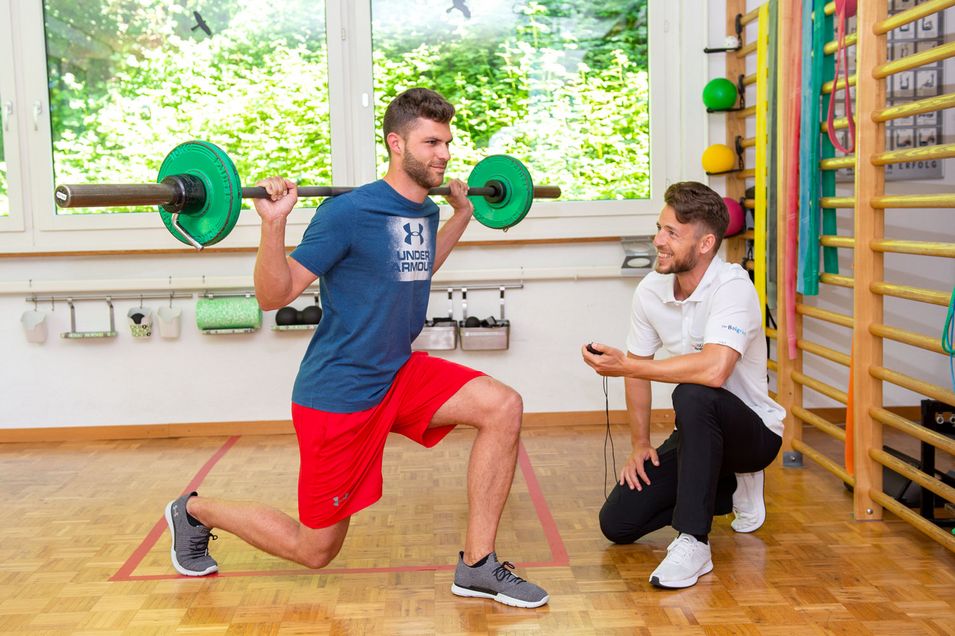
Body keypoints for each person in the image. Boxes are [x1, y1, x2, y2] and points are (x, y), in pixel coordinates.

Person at [163, 88, 548, 609]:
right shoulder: (346, 213)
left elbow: (419, 265)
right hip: (340, 392)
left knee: (502, 405)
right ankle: (195, 511)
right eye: (431, 142)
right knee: (315, 549)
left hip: (397, 372)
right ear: (396, 143)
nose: (444, 154)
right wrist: (274, 224)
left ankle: (477, 564)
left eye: (448, 143)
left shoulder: (425, 211)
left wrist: (462, 214)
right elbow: (273, 296)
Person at [581, 181, 784, 589]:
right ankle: (722, 490)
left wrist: (629, 368)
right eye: (660, 228)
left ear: (706, 242)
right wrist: (640, 444)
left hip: (754, 435)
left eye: (671, 233)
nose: (658, 240)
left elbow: (714, 371)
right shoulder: (651, 291)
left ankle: (694, 540)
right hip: (696, 433)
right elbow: (637, 369)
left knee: (693, 391)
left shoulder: (733, 287)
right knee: (618, 523)